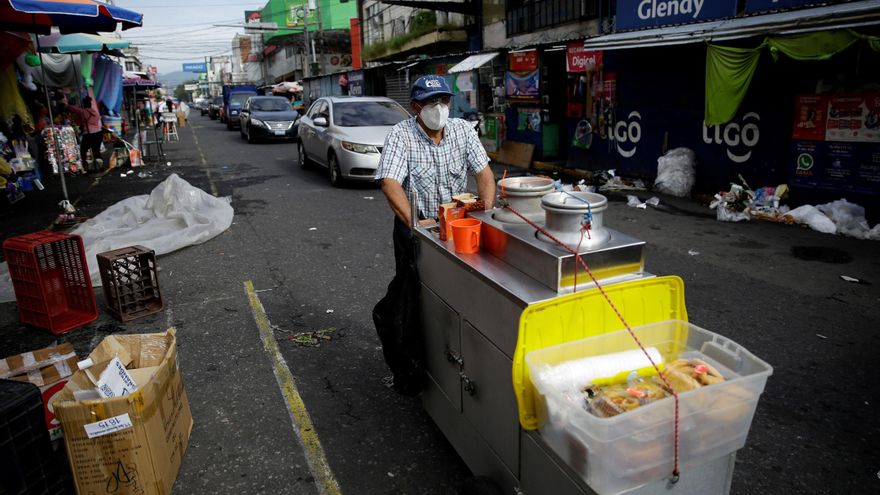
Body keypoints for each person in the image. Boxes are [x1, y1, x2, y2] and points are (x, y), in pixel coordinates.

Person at [376, 75, 495, 274]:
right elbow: (390, 183)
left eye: (444, 100)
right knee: (413, 287)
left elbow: (484, 174)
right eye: (431, 101)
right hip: (418, 225)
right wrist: (416, 224)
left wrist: (484, 215)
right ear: (415, 106)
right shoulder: (400, 135)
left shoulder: (463, 130)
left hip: (458, 225)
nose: (439, 107)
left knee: (459, 282)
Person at [66, 95, 103, 172]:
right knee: (96, 151)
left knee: (83, 150)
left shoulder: (83, 112)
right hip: (99, 133)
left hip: (89, 134)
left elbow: (72, 108)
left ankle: (85, 166)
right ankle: (100, 166)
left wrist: (65, 104)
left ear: (84, 104)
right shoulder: (95, 112)